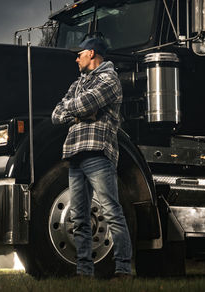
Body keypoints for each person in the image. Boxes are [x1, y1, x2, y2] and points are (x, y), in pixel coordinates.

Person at [51, 37, 132, 277]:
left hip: (97, 152)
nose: (76, 58)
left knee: (111, 211)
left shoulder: (110, 80)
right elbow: (56, 114)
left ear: (92, 53)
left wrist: (75, 110)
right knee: (78, 217)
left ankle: (123, 270)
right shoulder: (78, 83)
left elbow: (87, 104)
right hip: (75, 154)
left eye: (80, 54)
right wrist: (77, 114)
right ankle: (84, 272)